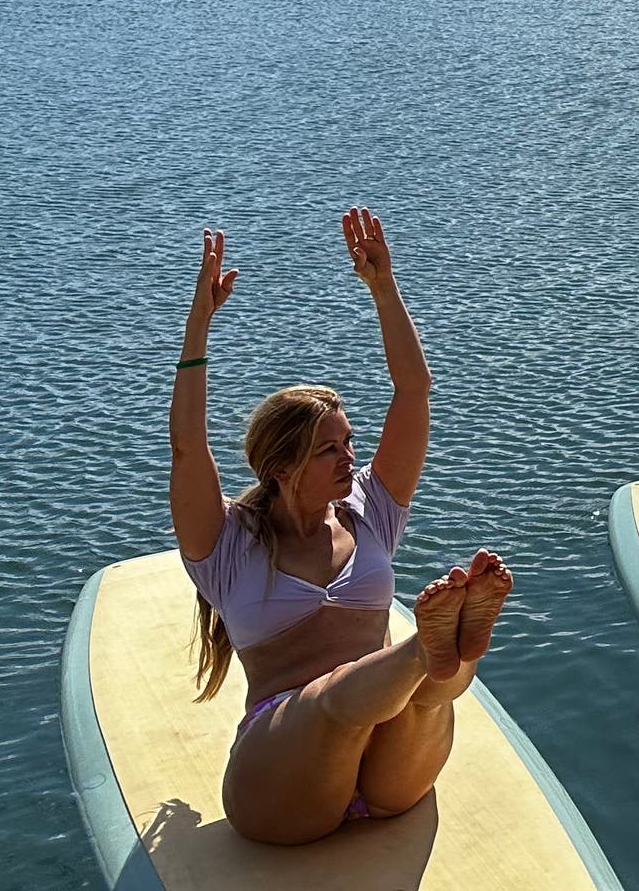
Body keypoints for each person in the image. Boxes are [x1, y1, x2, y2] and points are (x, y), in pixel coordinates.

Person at [171, 213, 511, 846]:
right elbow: (189, 450)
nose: (350, 459)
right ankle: (425, 648)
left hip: (391, 773)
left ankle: (441, 656)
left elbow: (414, 393)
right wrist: (200, 325)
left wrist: (384, 289)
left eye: (349, 442)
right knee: (333, 699)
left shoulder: (369, 512)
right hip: (283, 782)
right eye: (330, 450)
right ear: (280, 467)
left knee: (427, 697)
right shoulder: (226, 545)